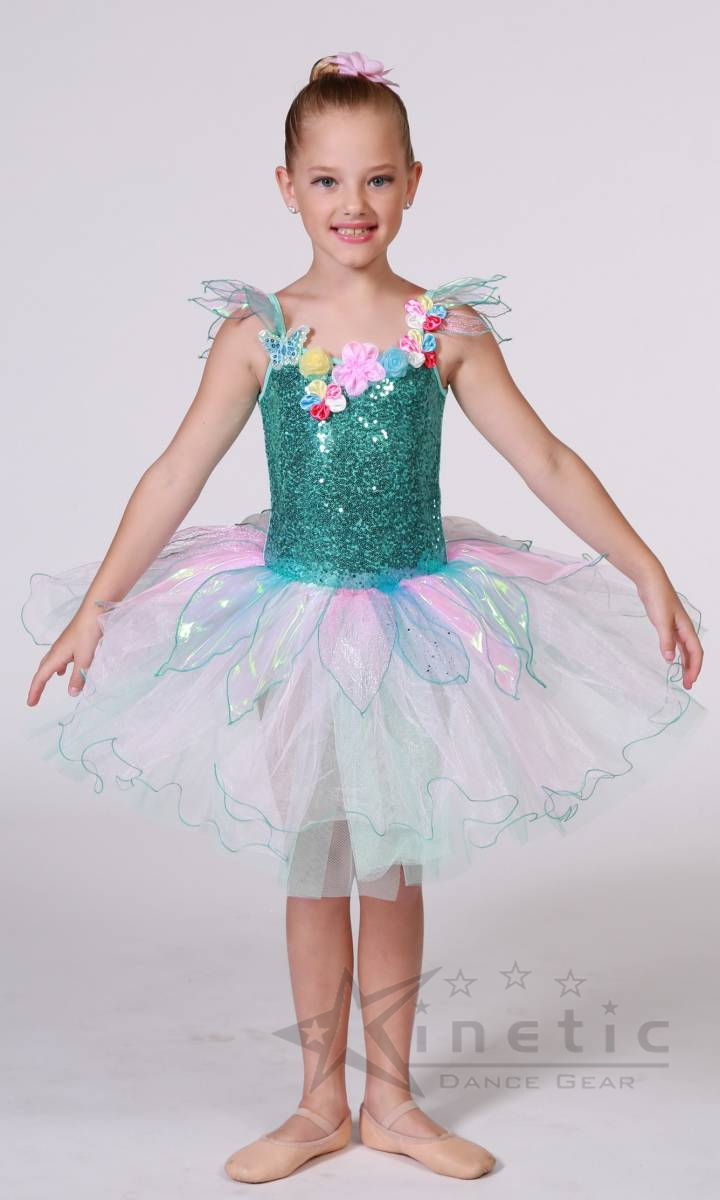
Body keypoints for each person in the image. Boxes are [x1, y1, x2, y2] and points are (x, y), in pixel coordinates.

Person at [22, 50, 706, 1184]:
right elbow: (176, 471)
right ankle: (315, 1103)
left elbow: (543, 458)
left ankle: (390, 1100)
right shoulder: (259, 334)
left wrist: (645, 567)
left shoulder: (443, 328)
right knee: (316, 857)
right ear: (287, 187)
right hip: (294, 619)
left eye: (379, 179)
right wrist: (100, 603)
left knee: (390, 864)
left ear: (414, 182)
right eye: (329, 181)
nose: (355, 204)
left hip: (410, 621)